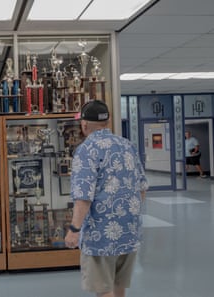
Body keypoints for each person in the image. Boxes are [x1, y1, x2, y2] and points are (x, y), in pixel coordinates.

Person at [65, 100, 148, 297]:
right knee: (120, 286)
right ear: (108, 122)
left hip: (100, 235)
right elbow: (142, 188)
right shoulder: (127, 146)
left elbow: (83, 197)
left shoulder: (86, 150)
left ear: (84, 125)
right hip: (130, 230)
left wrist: (74, 230)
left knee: (103, 289)